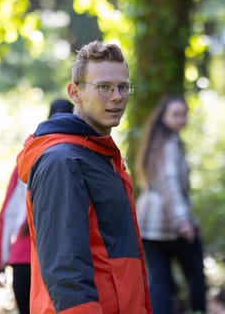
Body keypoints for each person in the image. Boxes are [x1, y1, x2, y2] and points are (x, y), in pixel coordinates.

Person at [16, 40, 152, 314]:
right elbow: (65, 270)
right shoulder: (62, 162)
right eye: (104, 87)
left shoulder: (100, 156)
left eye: (123, 87)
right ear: (75, 93)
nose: (116, 96)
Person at [0, 98, 74, 314]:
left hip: (24, 257)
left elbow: (8, 214)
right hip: (64, 261)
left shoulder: (28, 157)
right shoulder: (84, 156)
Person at [135, 95, 207, 314]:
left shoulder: (155, 142)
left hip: (147, 223)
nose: (181, 119)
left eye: (184, 114)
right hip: (166, 223)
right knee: (195, 276)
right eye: (175, 114)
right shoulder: (168, 144)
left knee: (160, 282)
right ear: (163, 117)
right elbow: (171, 183)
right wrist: (184, 220)